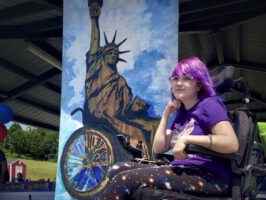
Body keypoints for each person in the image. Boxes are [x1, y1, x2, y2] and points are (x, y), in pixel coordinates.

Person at [98, 57, 239, 199]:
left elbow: (231, 143)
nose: (179, 83)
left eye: (186, 79)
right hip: (182, 170)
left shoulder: (209, 105)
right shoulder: (181, 115)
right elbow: (158, 148)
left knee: (125, 179)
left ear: (199, 85)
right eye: (175, 79)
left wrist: (187, 139)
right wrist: (166, 114)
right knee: (117, 169)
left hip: (208, 175)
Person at [85, 0, 159, 158]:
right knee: (137, 132)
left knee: (153, 125)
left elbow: (124, 110)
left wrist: (137, 107)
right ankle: (144, 162)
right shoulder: (96, 67)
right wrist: (94, 20)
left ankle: (154, 159)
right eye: (109, 52)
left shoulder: (121, 81)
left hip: (116, 116)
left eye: (115, 54)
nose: (113, 55)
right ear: (102, 56)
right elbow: (95, 42)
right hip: (99, 112)